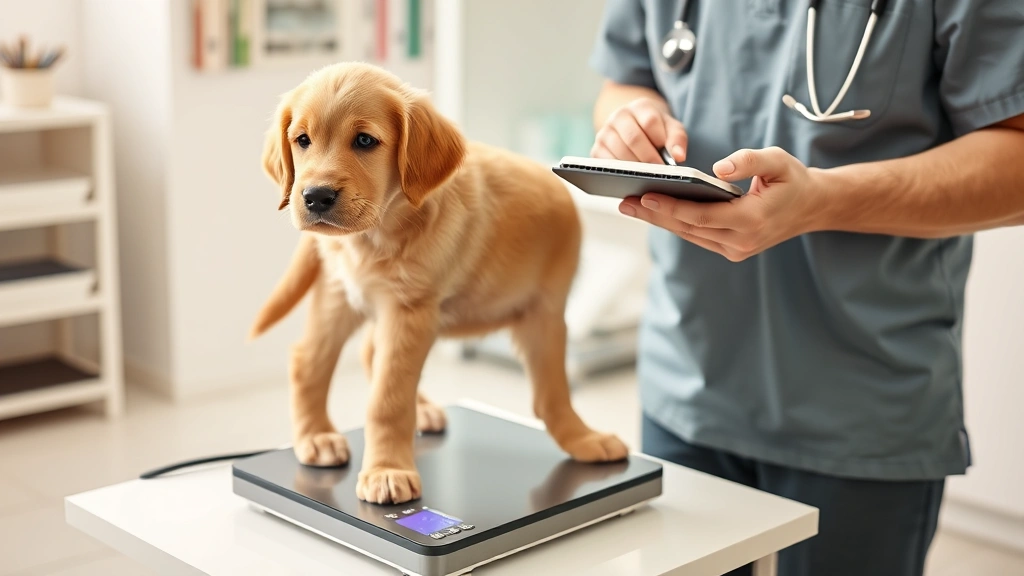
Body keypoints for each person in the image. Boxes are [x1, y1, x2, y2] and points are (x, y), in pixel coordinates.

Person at [588, 1, 1024, 575]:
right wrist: (632, 122)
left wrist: (822, 200)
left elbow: (1013, 154)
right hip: (689, 387)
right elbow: (626, 78)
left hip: (858, 410)